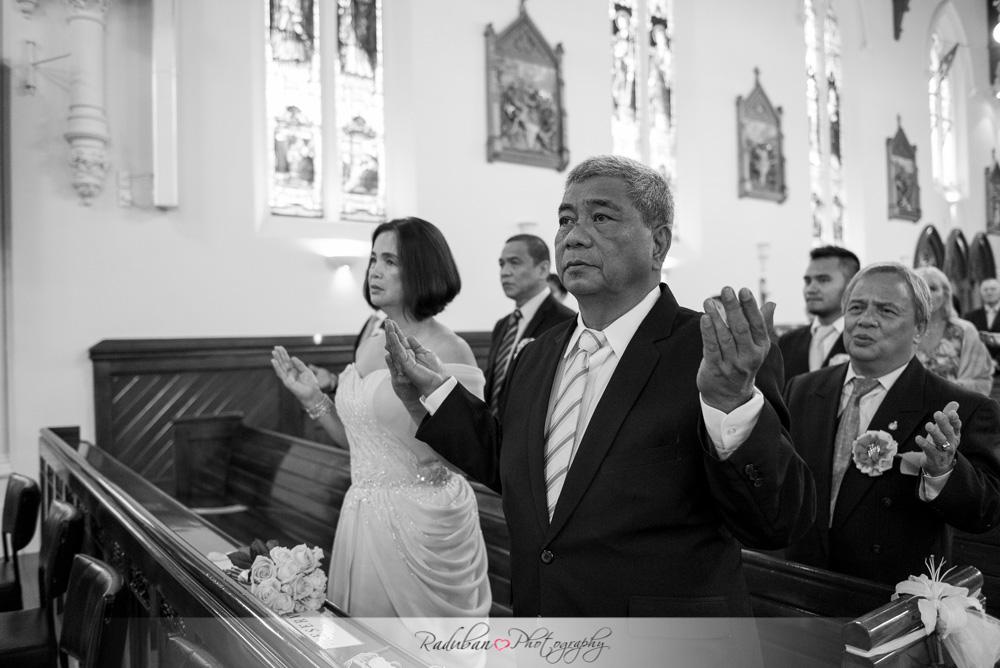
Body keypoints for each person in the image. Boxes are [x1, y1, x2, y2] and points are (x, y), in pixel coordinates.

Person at [384, 155, 815, 618]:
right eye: (565, 219)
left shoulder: (713, 352)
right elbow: (513, 468)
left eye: (601, 217)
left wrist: (731, 402)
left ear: (658, 244)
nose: (574, 236)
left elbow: (776, 522)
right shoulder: (537, 355)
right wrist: (435, 396)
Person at [270, 217, 491, 618]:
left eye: (391, 261)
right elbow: (363, 447)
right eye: (373, 258)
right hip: (362, 514)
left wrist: (415, 401)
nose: (374, 270)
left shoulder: (450, 349)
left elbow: (470, 454)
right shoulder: (371, 339)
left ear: (423, 270)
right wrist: (314, 399)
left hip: (426, 524)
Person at [784, 263, 1000, 588]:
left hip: (890, 596)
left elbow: (985, 513)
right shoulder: (802, 388)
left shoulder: (958, 407)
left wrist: (943, 471)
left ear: (919, 328)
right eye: (856, 307)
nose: (865, 319)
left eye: (886, 310)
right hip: (803, 581)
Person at [485, 234, 575, 413]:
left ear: (542, 270)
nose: (505, 272)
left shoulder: (566, 322)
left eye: (514, 262)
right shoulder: (503, 325)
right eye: (502, 264)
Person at [778, 246, 860, 381]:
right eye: (808, 281)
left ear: (851, 285)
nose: (811, 289)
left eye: (823, 280)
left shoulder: (863, 338)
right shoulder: (787, 342)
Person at [915, 266, 993, 396]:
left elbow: (981, 379)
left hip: (953, 408)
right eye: (921, 288)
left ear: (945, 294)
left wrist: (947, 389)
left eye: (933, 288)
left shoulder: (964, 331)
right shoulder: (903, 330)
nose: (927, 293)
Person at [964, 277, 1000, 371]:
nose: (989, 292)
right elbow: (967, 342)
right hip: (977, 369)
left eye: (993, 289)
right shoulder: (970, 316)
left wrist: (996, 362)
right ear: (980, 292)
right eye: (985, 289)